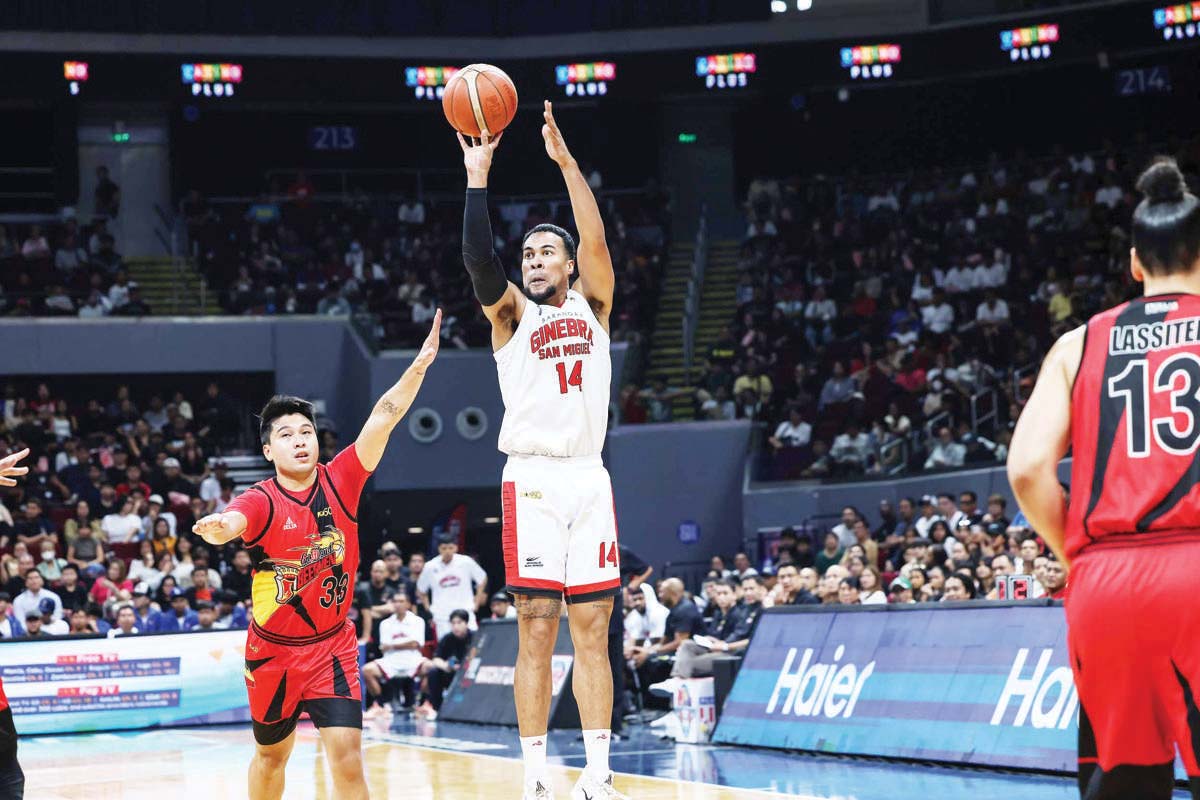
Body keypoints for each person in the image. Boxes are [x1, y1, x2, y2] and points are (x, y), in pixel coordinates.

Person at [1009, 158, 1200, 799]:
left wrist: (1074, 552)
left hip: (1106, 585)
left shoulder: (1078, 345)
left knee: (1123, 785)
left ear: (1135, 265)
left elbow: (1029, 469)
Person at [190, 314, 440, 800]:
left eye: (306, 432)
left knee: (347, 758)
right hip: (273, 653)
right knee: (271, 756)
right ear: (268, 449)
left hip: (333, 646)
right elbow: (234, 522)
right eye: (286, 435)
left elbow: (385, 413)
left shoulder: (341, 478)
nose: (300, 440)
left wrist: (421, 363)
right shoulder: (261, 498)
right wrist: (221, 529)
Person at [458, 102, 624, 800]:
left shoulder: (593, 304)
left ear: (566, 265)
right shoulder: (510, 317)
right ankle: (532, 775)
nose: (533, 260)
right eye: (527, 253)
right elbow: (477, 257)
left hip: (590, 477)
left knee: (594, 628)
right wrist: (477, 178)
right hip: (530, 478)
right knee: (535, 624)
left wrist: (566, 164)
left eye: (543, 251)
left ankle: (597, 771)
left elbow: (595, 239)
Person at [362, 591, 426, 717]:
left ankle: (423, 704)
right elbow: (384, 648)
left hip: (412, 659)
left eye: (401, 601)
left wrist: (393, 645)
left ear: (408, 604)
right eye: (395, 601)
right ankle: (381, 705)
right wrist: (406, 643)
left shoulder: (418, 621)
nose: (397, 604)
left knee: (431, 668)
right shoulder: (385, 623)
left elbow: (416, 644)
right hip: (391, 661)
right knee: (367, 670)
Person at [416, 534, 487, 638]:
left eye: (450, 548)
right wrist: (429, 609)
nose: (447, 551)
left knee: (473, 645)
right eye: (444, 548)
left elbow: (482, 579)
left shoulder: (466, 562)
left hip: (465, 611)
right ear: (439, 549)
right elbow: (421, 590)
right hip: (442, 615)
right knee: (446, 649)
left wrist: (476, 601)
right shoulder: (430, 566)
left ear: (456, 548)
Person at [415, 608, 473, 720]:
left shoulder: (475, 637)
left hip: (468, 674)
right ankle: (437, 708)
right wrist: (446, 666)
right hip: (451, 673)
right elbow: (436, 659)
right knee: (433, 672)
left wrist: (463, 667)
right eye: (453, 623)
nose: (456, 626)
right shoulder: (447, 638)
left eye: (459, 623)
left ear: (466, 623)